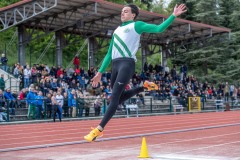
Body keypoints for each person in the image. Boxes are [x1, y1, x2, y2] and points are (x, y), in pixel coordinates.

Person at [84, 3, 187, 142]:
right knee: (116, 99)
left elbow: (159, 29)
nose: (122, 13)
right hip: (115, 65)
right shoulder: (116, 31)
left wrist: (173, 15)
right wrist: (100, 72)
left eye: (126, 11)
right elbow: (109, 54)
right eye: (122, 11)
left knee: (114, 99)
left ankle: (99, 129)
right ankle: (143, 87)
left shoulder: (136, 25)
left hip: (127, 64)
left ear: (133, 15)